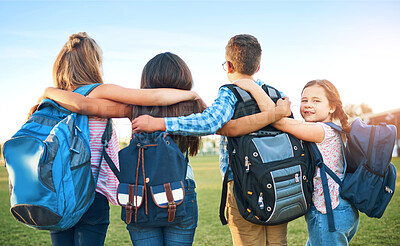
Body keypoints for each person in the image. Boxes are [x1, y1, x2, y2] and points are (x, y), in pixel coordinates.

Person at [39, 32, 201, 246]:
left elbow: (84, 106)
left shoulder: (51, 101)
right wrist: (191, 95)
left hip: (61, 191)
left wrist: (49, 91)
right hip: (97, 191)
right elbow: (150, 99)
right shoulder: (98, 91)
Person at [131, 34, 292, 246]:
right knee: (278, 242)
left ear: (228, 65)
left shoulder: (231, 93)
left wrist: (163, 123)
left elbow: (210, 122)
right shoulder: (275, 94)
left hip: (244, 185)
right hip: (280, 182)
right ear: (258, 67)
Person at [231, 79, 360, 245]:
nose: (308, 105)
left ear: (332, 107)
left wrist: (252, 87)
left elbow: (277, 120)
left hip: (328, 212)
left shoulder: (320, 131)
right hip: (341, 209)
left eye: (316, 101)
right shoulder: (332, 128)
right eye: (304, 100)